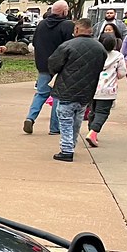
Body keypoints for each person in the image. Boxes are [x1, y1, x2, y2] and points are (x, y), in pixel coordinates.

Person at [48, 18, 107, 162]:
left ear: (76, 29)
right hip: (87, 91)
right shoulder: (99, 48)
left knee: (65, 120)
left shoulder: (68, 45)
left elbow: (54, 64)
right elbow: (100, 67)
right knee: (77, 120)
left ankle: (67, 149)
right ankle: (71, 145)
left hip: (67, 89)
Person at [23, 0, 74, 135]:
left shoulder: (41, 24)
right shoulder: (68, 25)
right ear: (64, 11)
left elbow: (35, 42)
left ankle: (30, 117)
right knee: (58, 96)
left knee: (41, 93)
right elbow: (71, 45)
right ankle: (54, 127)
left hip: (43, 65)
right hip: (61, 66)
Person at [86, 34, 126, 146]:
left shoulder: (93, 53)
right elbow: (122, 73)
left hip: (92, 87)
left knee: (93, 111)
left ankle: (91, 130)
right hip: (108, 89)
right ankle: (93, 132)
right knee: (102, 112)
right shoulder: (118, 56)